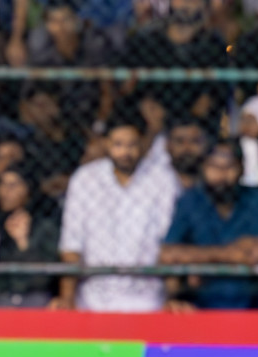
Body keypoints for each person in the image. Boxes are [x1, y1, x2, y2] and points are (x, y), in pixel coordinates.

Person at [57, 104, 179, 312]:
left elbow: (170, 243)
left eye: (132, 144)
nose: (125, 153)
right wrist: (67, 298)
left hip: (149, 299)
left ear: (142, 143)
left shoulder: (163, 179)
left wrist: (171, 297)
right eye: (118, 144)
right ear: (105, 144)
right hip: (92, 298)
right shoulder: (85, 179)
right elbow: (72, 244)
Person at [160, 140, 258, 309]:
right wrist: (231, 254)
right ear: (203, 168)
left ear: (241, 168)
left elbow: (256, 254)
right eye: (214, 167)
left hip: (251, 304)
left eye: (229, 167)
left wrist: (196, 260)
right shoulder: (190, 201)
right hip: (200, 305)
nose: (221, 174)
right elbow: (168, 255)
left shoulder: (257, 200)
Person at [121, 0, 231, 122]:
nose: (184, 4)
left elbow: (217, 91)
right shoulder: (147, 38)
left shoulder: (214, 44)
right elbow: (129, 85)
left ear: (204, 3)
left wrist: (205, 103)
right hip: (148, 119)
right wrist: (143, 102)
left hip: (194, 122)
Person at [0, 162, 61, 306]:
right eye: (2, 184)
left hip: (32, 299)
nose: (5, 191)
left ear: (28, 189)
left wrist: (23, 244)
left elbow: (42, 280)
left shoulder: (44, 225)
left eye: (13, 185)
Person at [28, 0, 117, 130]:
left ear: (77, 21)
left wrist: (98, 127)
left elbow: (107, 92)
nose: (61, 26)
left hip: (93, 115)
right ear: (47, 25)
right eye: (54, 21)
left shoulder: (94, 47)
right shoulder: (43, 56)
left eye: (66, 19)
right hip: (60, 120)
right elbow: (29, 98)